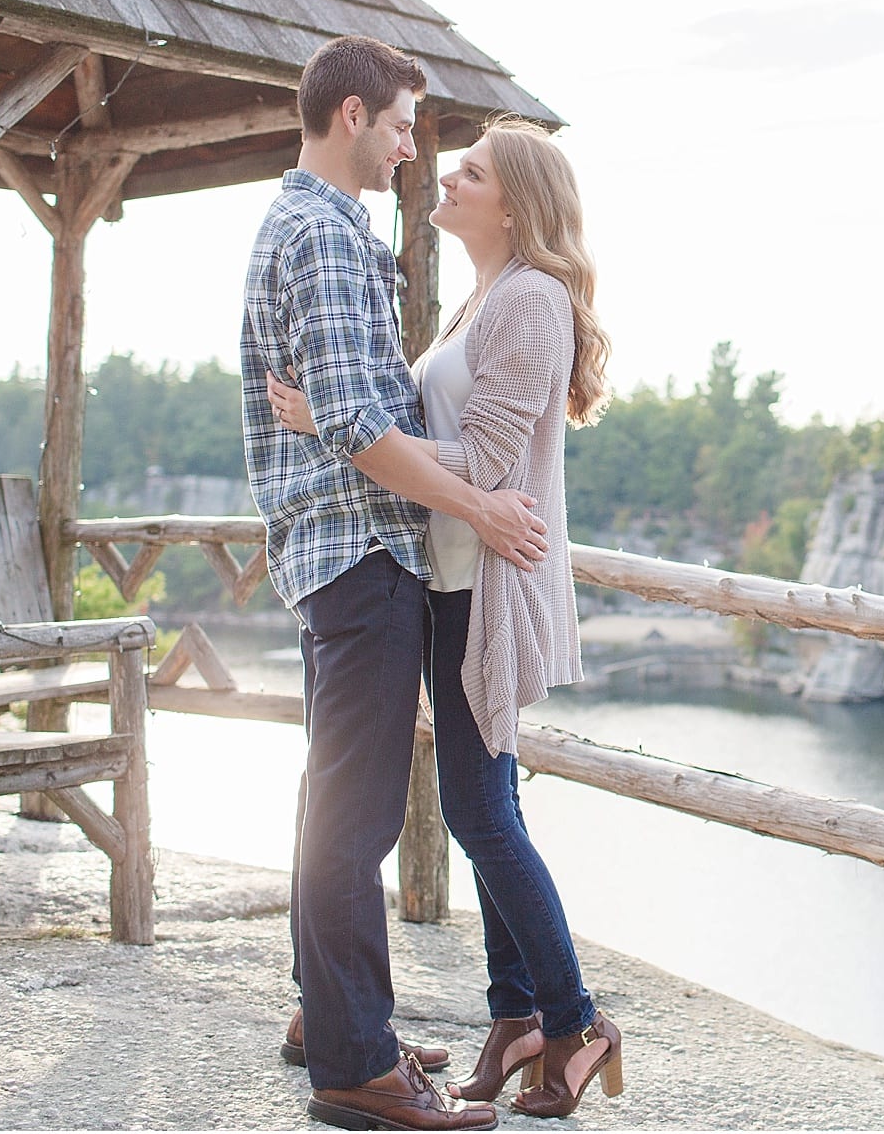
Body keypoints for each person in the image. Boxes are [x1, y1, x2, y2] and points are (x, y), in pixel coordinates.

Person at [266, 116, 624, 1119]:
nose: (447, 178)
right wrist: (360, 431)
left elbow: (492, 467)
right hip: (449, 581)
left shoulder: (532, 303)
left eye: (469, 172)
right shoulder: (481, 301)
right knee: (484, 802)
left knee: (479, 811)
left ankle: (576, 1020)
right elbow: (440, 443)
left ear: (514, 202)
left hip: (486, 591)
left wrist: (352, 436)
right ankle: (515, 1014)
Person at [241, 36, 549, 1133]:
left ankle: (328, 1017)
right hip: (363, 552)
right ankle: (358, 1069)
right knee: (355, 814)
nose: (415, 150)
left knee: (334, 798)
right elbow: (373, 429)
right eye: (406, 125)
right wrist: (481, 507)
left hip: (347, 553)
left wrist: (332, 417)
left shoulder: (324, 229)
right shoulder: (324, 236)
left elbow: (358, 411)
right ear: (355, 114)